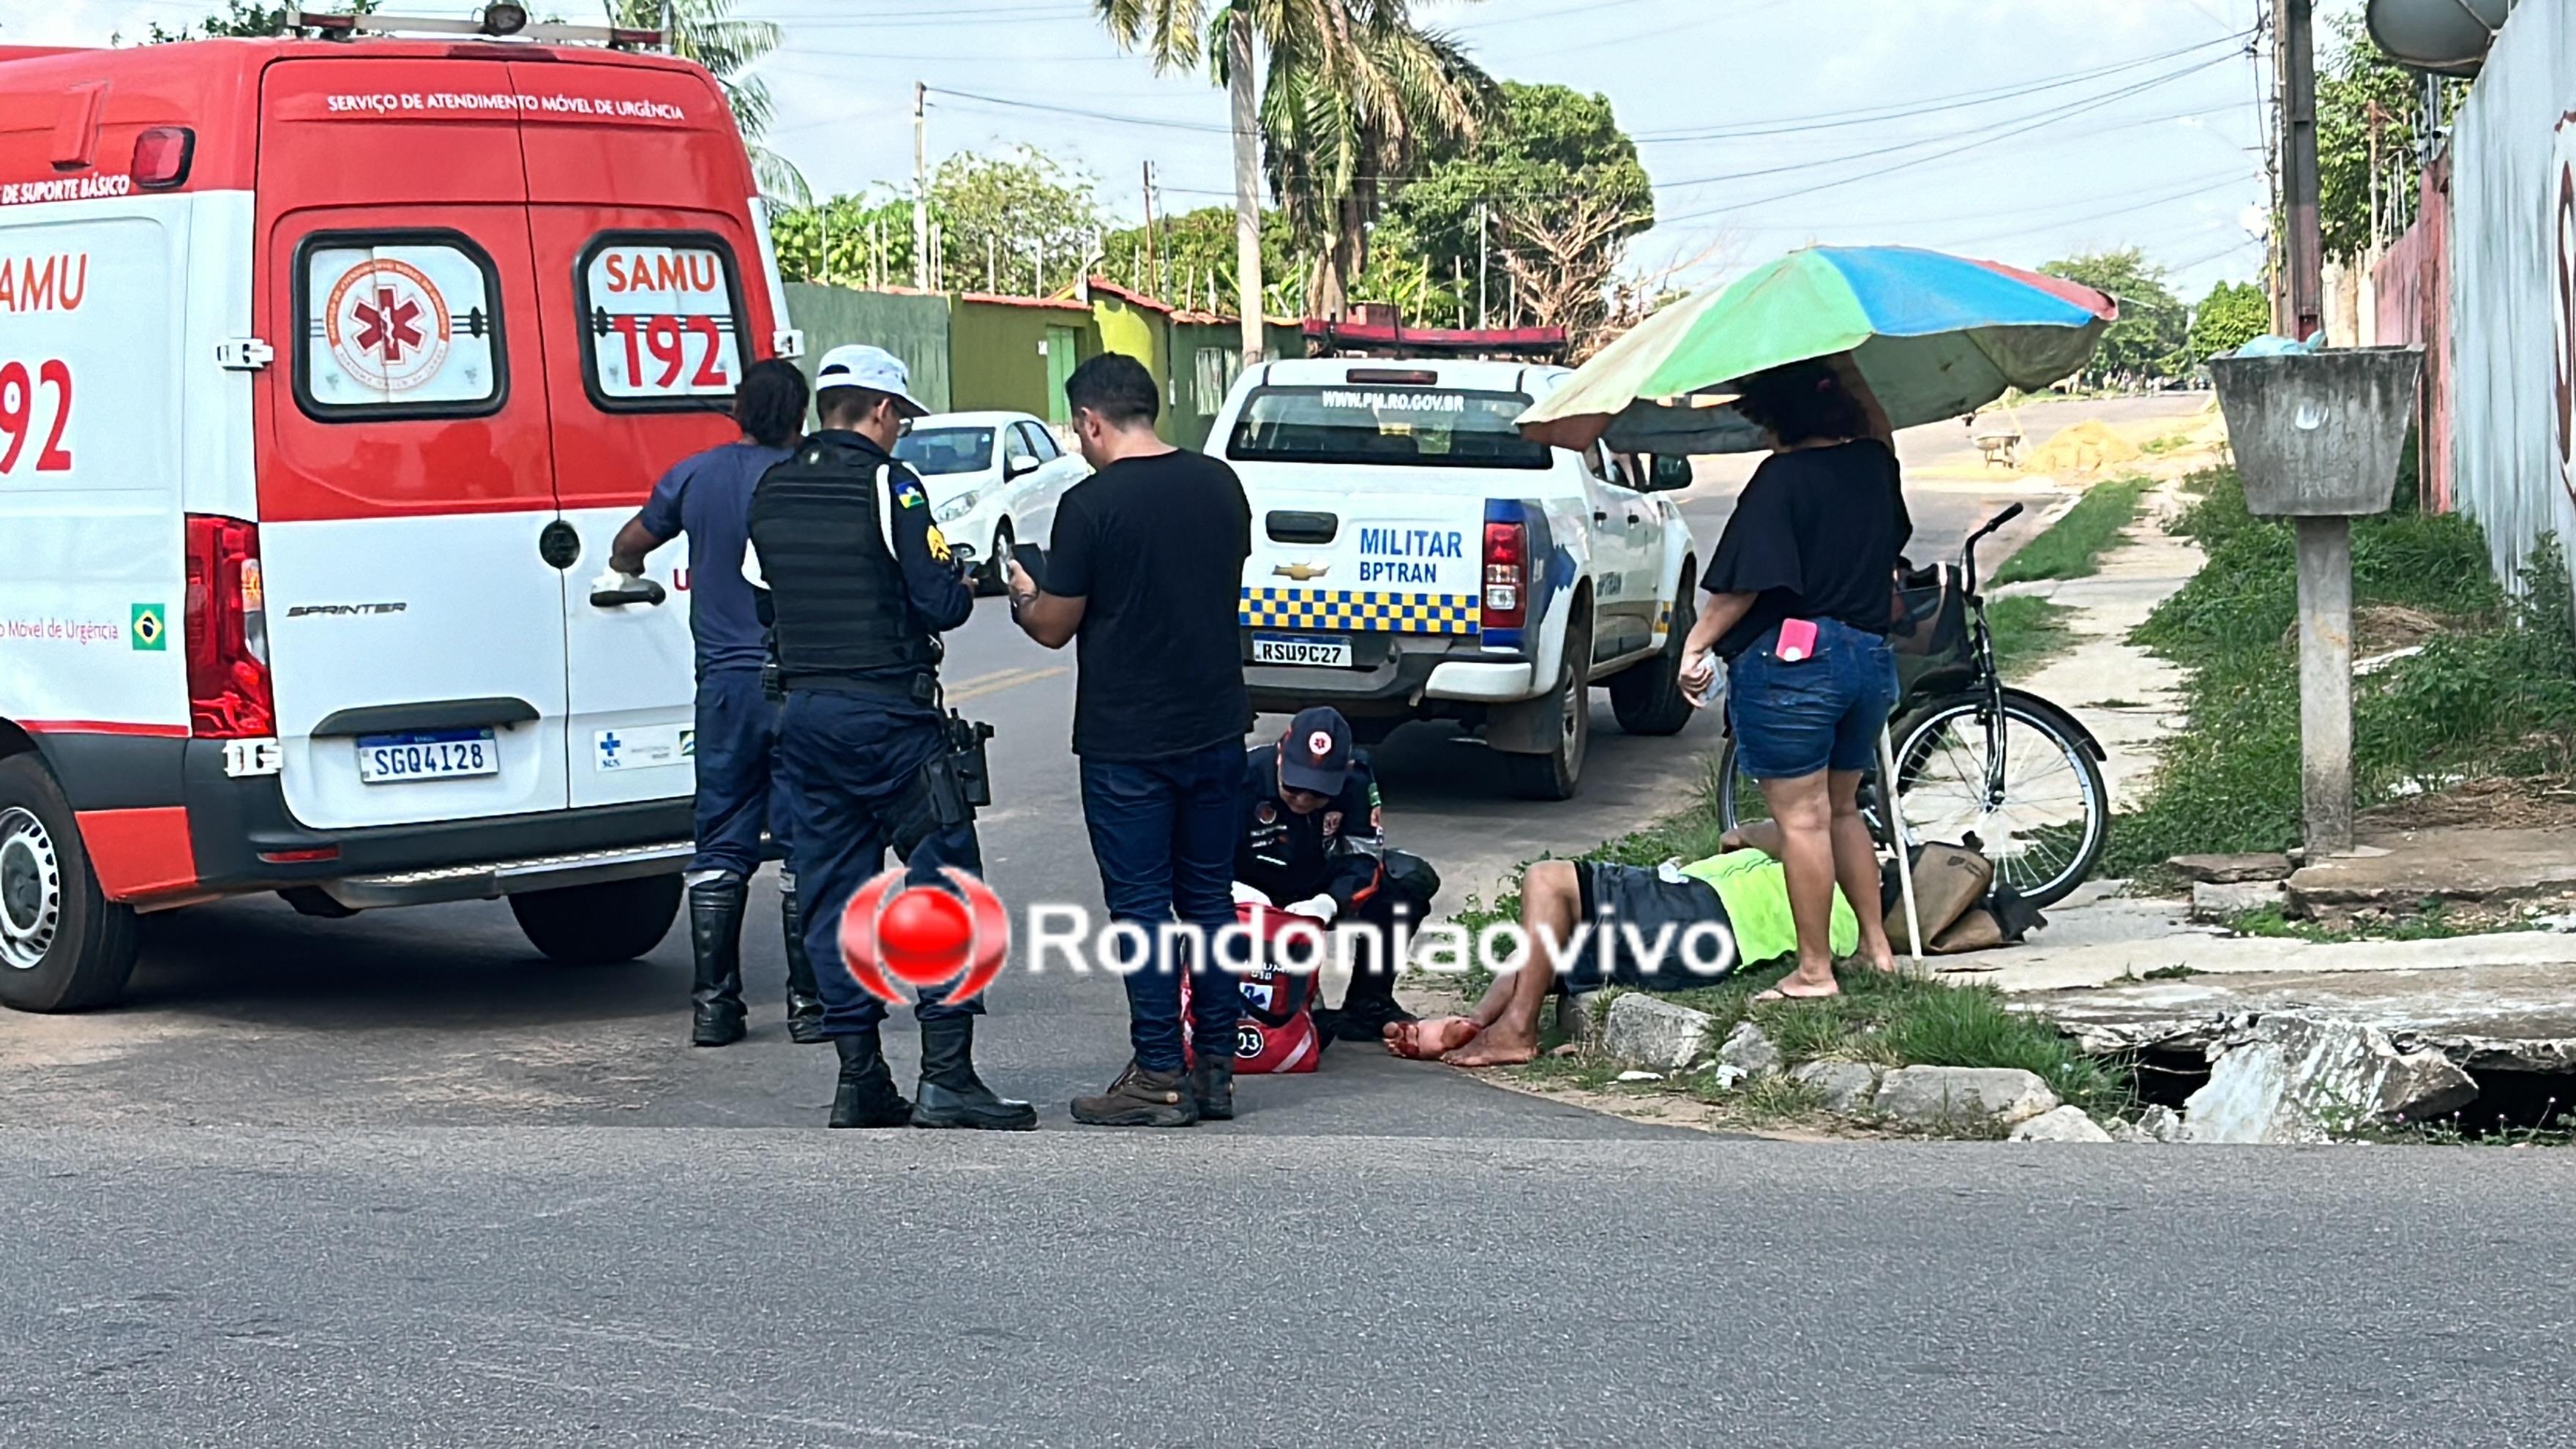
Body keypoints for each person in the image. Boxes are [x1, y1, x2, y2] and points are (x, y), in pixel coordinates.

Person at [749, 344, 1035, 1131]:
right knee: (944, 882)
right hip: (889, 721)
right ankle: (946, 1078)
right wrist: (962, 580)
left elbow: (759, 600)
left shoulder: (773, 487)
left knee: (834, 895)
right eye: (900, 418)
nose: (901, 432)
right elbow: (937, 600)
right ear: (879, 411)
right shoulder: (890, 484)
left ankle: (860, 1079)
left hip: (805, 720)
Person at [1006, 353, 1253, 1128]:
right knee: (1208, 899)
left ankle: (1157, 1072)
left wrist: (1022, 594)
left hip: (1127, 740)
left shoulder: (1090, 505)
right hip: (1216, 724)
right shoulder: (1221, 485)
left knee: (1144, 906)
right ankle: (1215, 1069)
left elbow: (1054, 626)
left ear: (1089, 422)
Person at [1675, 356, 1906, 1002]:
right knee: (1840, 809)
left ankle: (1813, 971)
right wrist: (1851, 365)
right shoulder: (1874, 464)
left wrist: (1696, 644)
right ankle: (1875, 947)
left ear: (1776, 421)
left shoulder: (1782, 479)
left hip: (1795, 666)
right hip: (1868, 660)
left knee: (1801, 821)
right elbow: (1881, 430)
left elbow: (1747, 581)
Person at [606, 359, 820, 1048]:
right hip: (800, 682)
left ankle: (714, 1008)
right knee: (803, 846)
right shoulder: (811, 477)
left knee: (721, 840)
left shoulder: (695, 475)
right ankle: (808, 1007)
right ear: (799, 416)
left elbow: (629, 545)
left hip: (725, 689)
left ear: (736, 410)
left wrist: (630, 572)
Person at [1390, 831, 1860, 1067]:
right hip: (1686, 917)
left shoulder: (1834, 897)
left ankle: (1515, 1028)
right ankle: (1476, 1024)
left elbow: (1758, 832)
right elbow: (1749, 836)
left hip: (1700, 911)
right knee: (1548, 937)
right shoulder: (1822, 884)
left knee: (1548, 880)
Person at [1229, 706, 1423, 1042]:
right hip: (1248, 891)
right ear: (1279, 758)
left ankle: (1369, 1004)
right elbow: (1196, 853)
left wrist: (1330, 902)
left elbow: (1364, 859)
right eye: (1293, 787)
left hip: (1317, 889)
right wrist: (1229, 889)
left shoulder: (1358, 781)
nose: (1303, 799)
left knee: (1409, 882)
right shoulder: (1240, 776)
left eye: (1319, 793)